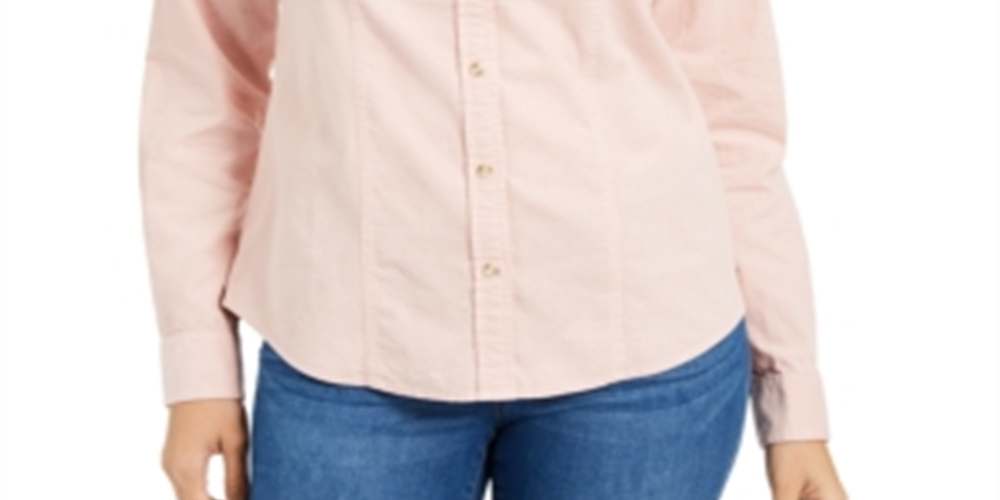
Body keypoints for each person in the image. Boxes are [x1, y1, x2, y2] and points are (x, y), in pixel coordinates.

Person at [138, 1, 848, 499]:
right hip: (353, 355)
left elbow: (732, 118)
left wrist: (792, 402)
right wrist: (200, 368)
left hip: (643, 358)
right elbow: (203, 86)